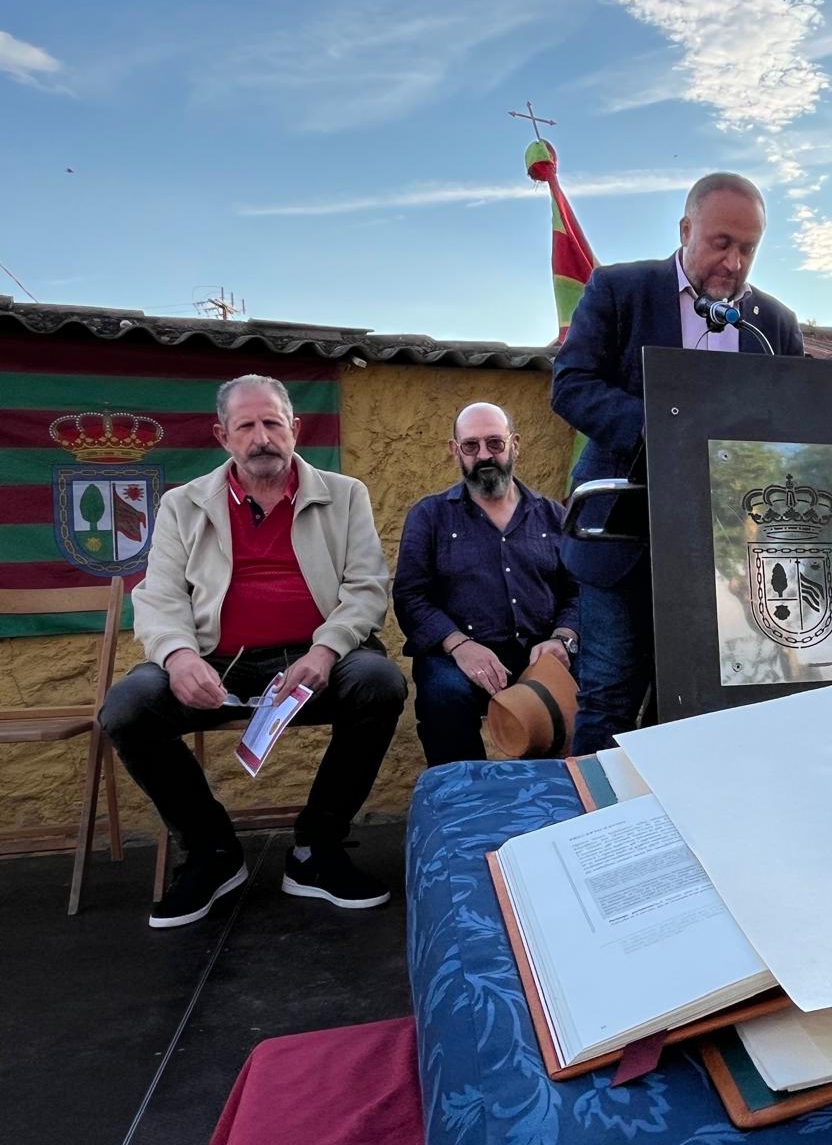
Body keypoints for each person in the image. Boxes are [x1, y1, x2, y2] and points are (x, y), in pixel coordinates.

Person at [100, 375, 407, 928]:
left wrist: (325, 651)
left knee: (380, 683)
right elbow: (159, 596)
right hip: (215, 661)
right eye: (246, 426)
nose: (261, 437)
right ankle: (213, 851)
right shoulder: (181, 505)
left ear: (294, 427)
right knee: (126, 708)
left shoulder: (346, 494)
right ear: (223, 435)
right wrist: (178, 657)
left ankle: (316, 849)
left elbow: (366, 588)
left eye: (272, 423)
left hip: (314, 660)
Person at [551, 171, 805, 754]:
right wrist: (666, 433)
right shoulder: (620, 290)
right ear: (686, 229)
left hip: (728, 556)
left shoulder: (776, 327)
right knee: (611, 696)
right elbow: (571, 385)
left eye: (748, 248)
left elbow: (794, 429)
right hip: (620, 537)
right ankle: (601, 831)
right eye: (721, 243)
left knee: (702, 699)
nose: (734, 263)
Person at [393, 402, 579, 765]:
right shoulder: (429, 516)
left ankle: (569, 806)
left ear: (515, 444)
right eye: (471, 446)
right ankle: (469, 805)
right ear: (454, 450)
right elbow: (410, 597)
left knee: (599, 694)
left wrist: (563, 638)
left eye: (495, 443)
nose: (484, 455)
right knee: (443, 695)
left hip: (542, 651)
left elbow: (578, 591)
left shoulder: (554, 516)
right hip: (458, 654)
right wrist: (459, 645)